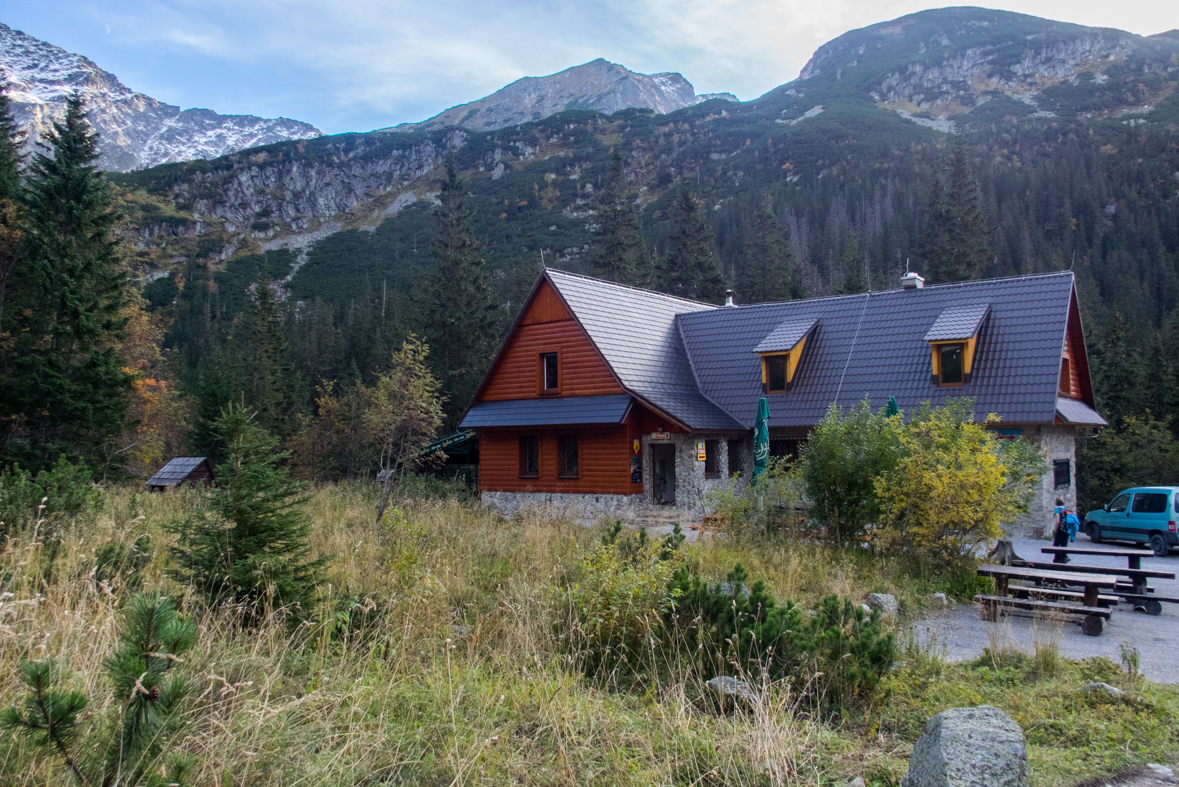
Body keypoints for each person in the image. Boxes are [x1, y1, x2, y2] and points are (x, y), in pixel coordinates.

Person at [1052, 497, 1071, 563]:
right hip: (1066, 529)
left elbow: (1058, 521)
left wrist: (1055, 529)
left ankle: (1057, 559)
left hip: (1060, 529)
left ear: (1056, 503)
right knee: (1064, 544)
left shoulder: (1057, 510)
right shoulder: (1066, 510)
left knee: (1056, 544)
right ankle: (1064, 557)